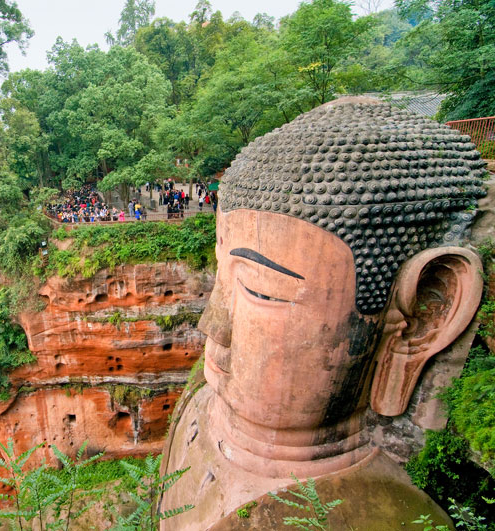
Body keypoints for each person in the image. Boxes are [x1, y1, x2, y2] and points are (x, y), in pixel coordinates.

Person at [160, 97, 486, 530]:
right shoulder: (197, 407)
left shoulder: (387, 517)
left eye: (261, 290)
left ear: (424, 318)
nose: (212, 326)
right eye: (221, 276)